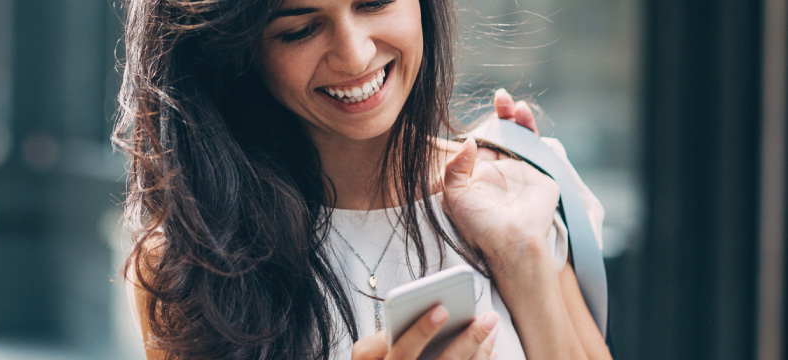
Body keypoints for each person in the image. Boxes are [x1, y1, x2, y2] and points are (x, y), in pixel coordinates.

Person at [112, 0, 611, 359]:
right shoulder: (193, 260)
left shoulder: (512, 195)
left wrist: (522, 256)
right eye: (301, 29)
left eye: (373, 3)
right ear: (241, 52)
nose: (353, 56)